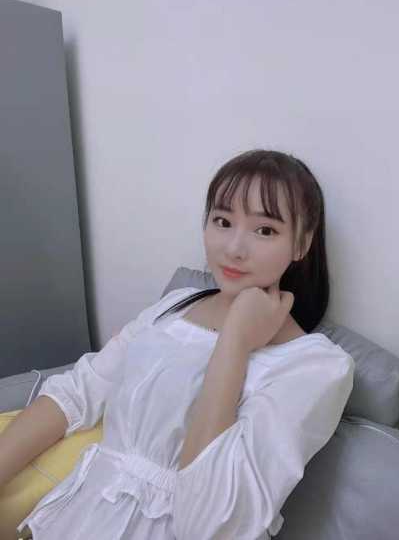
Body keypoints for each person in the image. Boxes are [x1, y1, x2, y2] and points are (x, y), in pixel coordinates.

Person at [5, 149, 354, 540]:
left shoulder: (317, 366)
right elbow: (77, 393)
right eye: (223, 221)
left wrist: (235, 340)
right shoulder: (176, 305)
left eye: (265, 230)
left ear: (302, 243)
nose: (234, 248)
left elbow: (209, 522)